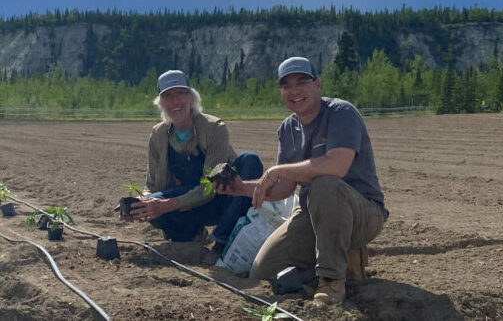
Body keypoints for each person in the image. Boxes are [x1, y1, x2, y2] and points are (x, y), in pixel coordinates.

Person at [218, 57, 388, 304]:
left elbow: (337, 166)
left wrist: (277, 170)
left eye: (301, 81)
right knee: (264, 271)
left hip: (362, 213)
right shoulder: (287, 129)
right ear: (281, 92)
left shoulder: (341, 113)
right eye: (286, 85)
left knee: (324, 184)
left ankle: (332, 283)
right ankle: (338, 259)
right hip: (312, 213)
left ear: (318, 84)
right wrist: (241, 188)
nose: (294, 91)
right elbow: (284, 188)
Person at [128, 70, 263, 263]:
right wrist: (137, 204)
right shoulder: (158, 135)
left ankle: (221, 241)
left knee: (249, 160)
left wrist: (167, 205)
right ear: (161, 102)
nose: (175, 102)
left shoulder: (214, 128)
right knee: (149, 206)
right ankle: (190, 236)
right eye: (168, 96)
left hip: (220, 199)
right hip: (186, 200)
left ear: (191, 97)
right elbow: (152, 186)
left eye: (181, 94)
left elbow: (209, 188)